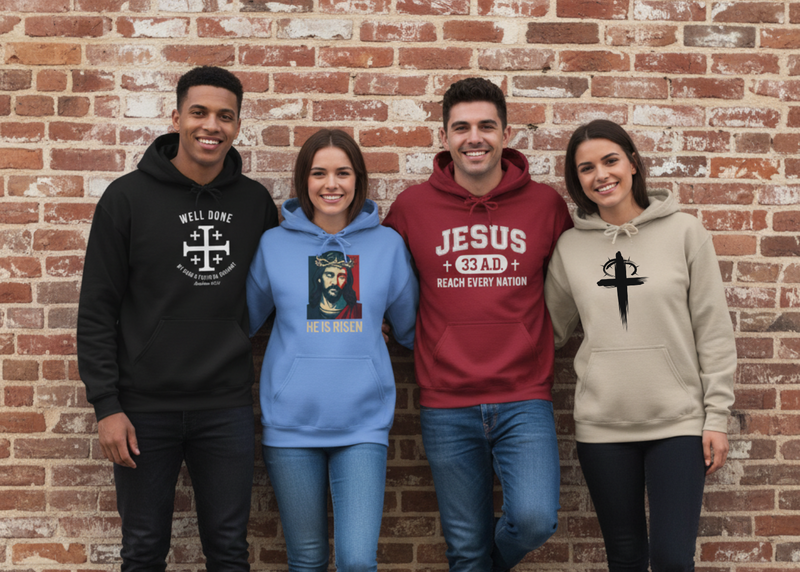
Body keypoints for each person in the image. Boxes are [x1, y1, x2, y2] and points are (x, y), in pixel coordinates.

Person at [77, 66, 278, 571]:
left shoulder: (254, 203)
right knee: (143, 550)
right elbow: (97, 309)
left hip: (225, 405)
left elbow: (282, 288)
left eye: (224, 116)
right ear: (176, 117)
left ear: (237, 126)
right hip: (143, 409)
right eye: (200, 112)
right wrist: (107, 404)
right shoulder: (126, 198)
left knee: (229, 550)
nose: (211, 126)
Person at [383, 77, 573, 571]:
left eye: (487, 126)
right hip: (446, 400)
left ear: (506, 134)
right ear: (444, 136)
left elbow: (574, 282)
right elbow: (382, 274)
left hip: (523, 396)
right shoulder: (411, 208)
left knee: (534, 520)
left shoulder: (546, 206)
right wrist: (374, 319)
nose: (475, 137)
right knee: (463, 548)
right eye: (461, 127)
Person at [544, 119, 736, 571]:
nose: (601, 175)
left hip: (679, 422)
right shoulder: (571, 247)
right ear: (577, 180)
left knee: (672, 558)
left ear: (632, 162)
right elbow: (547, 330)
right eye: (586, 168)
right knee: (625, 557)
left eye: (610, 160)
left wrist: (717, 416)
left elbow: (712, 329)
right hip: (603, 425)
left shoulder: (685, 232)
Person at [247, 129, 418, 572]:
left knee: (358, 561)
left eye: (343, 173)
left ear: (358, 180)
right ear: (303, 179)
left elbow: (410, 328)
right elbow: (243, 322)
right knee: (305, 559)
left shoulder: (387, 246)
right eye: (319, 173)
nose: (331, 184)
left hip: (362, 426)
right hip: (290, 427)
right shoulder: (273, 246)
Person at [307, 250, 363, 319]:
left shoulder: (357, 311)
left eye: (341, 277)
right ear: (319, 278)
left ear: (346, 281)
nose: (335, 282)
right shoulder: (308, 311)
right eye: (329, 275)